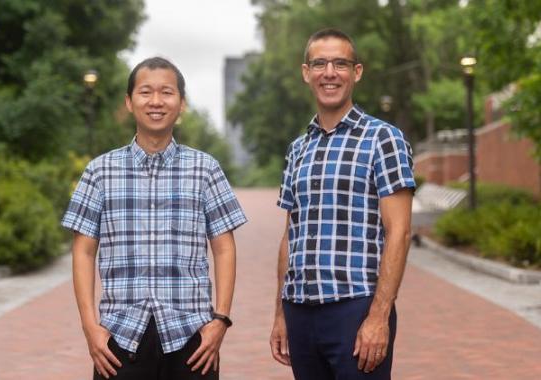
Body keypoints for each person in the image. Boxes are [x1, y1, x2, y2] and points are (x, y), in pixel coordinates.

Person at [62, 57, 247, 380]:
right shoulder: (99, 171)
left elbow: (223, 248)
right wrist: (90, 327)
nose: (157, 101)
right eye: (146, 92)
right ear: (129, 102)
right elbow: (83, 251)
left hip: (192, 336)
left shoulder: (205, 169)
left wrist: (220, 320)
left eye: (167, 92)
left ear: (182, 104)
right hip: (119, 337)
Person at [269, 28, 415, 379]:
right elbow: (291, 235)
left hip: (356, 308)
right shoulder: (297, 149)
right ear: (306, 73)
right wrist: (280, 314)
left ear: (357, 72)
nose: (329, 72)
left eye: (340, 63)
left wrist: (379, 317)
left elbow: (400, 232)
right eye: (320, 63)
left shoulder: (383, 139)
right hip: (300, 311)